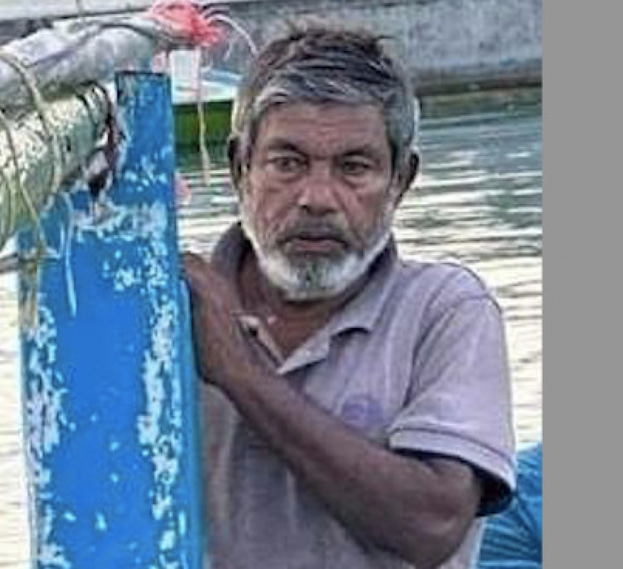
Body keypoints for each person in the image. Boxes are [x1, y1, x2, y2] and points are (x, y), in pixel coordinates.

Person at [182, 24, 517, 568]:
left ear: (401, 180)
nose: (317, 198)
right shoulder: (173, 305)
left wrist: (240, 373)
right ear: (240, 168)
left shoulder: (445, 310)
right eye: (287, 163)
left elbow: (433, 525)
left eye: (354, 167)